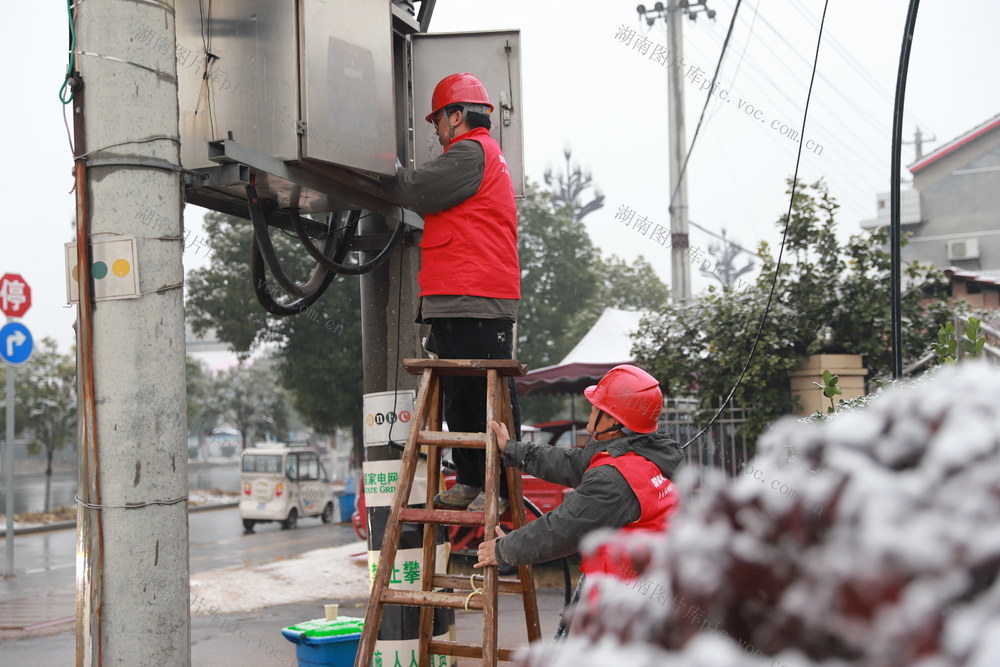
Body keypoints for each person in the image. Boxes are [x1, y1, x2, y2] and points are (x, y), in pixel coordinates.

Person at [385, 72, 521, 514]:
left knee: (485, 397)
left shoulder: (470, 152)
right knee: (461, 395)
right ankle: (467, 478)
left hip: (476, 294)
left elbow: (414, 188)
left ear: (458, 115)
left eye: (438, 121)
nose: (437, 131)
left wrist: (382, 166)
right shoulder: (481, 154)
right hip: (458, 295)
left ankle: (497, 488)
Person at [474, 365, 682, 583]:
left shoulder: (613, 479)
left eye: (595, 407)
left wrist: (503, 550)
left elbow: (561, 530)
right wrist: (512, 449)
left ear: (613, 421)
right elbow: (570, 463)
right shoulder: (650, 455)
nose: (590, 412)